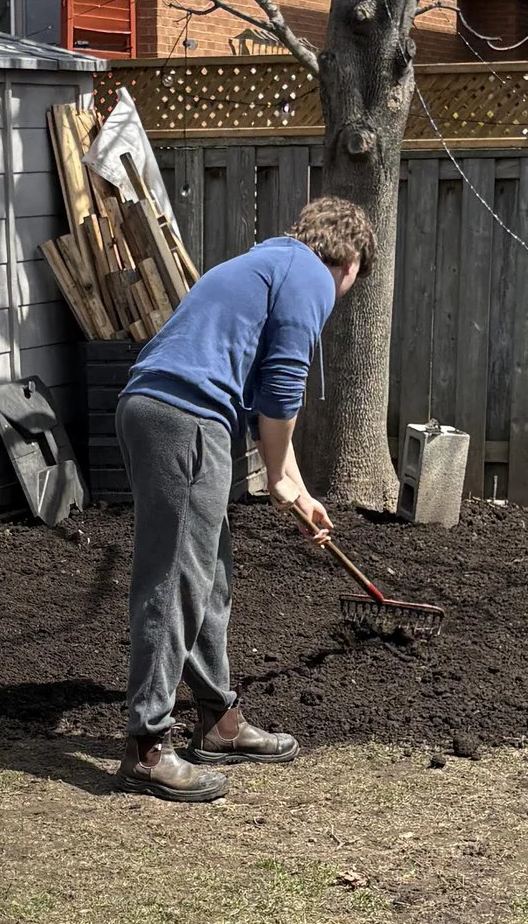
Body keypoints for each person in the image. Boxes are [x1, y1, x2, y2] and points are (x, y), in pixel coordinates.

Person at [114, 195, 378, 801]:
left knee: (210, 575)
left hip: (159, 409)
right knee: (177, 576)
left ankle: (218, 722)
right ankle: (147, 747)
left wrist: (298, 489)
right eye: (353, 280)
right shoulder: (310, 275)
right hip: (185, 417)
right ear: (350, 262)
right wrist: (281, 474)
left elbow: (261, 391)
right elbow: (284, 385)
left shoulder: (264, 266)